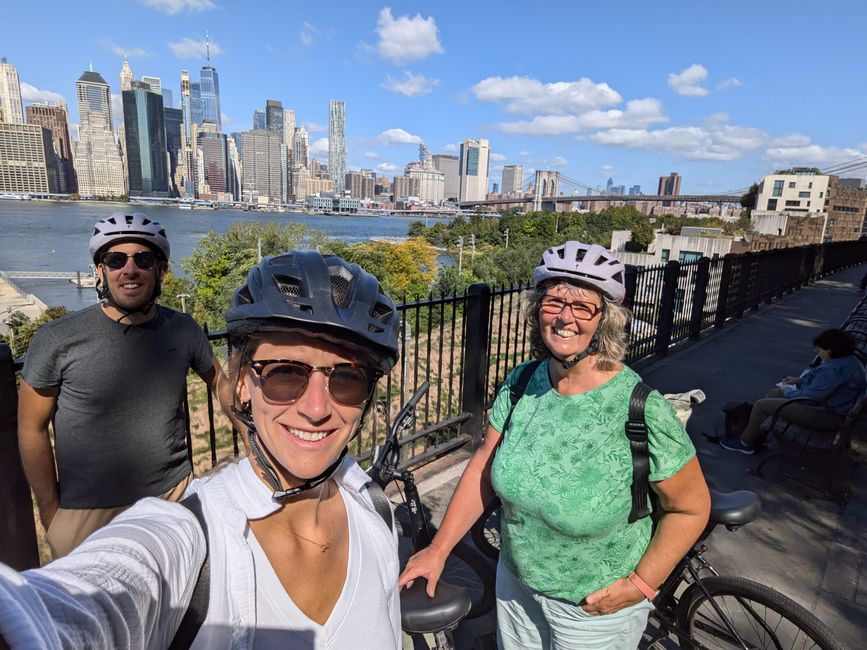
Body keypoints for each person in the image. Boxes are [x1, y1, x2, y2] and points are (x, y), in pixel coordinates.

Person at [0, 251, 403, 649]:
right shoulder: (190, 534)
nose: (316, 409)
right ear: (243, 382)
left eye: (348, 378)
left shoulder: (373, 509)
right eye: (285, 373)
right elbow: (88, 597)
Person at [400, 241, 711, 650]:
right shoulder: (524, 381)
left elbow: (690, 507)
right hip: (515, 585)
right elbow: (482, 467)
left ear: (606, 321)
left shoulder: (641, 409)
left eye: (583, 307)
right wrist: (439, 549)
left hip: (594, 606)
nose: (565, 317)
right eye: (553, 303)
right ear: (536, 311)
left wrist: (641, 584)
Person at [17, 211, 231, 558]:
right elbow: (31, 428)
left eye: (143, 259)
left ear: (161, 270)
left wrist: (252, 438)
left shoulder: (183, 329)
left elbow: (220, 383)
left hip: (171, 497)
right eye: (116, 260)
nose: (129, 269)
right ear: (101, 271)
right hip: (87, 514)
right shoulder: (56, 340)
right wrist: (51, 513)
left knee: (182, 607)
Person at [720, 328, 866, 455]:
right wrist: (799, 381)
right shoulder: (849, 361)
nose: (819, 354)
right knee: (773, 393)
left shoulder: (833, 369)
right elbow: (824, 387)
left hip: (826, 415)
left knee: (761, 405)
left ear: (829, 349)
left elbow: (810, 396)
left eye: (819, 351)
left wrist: (788, 392)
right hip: (832, 408)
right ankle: (757, 435)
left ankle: (745, 443)